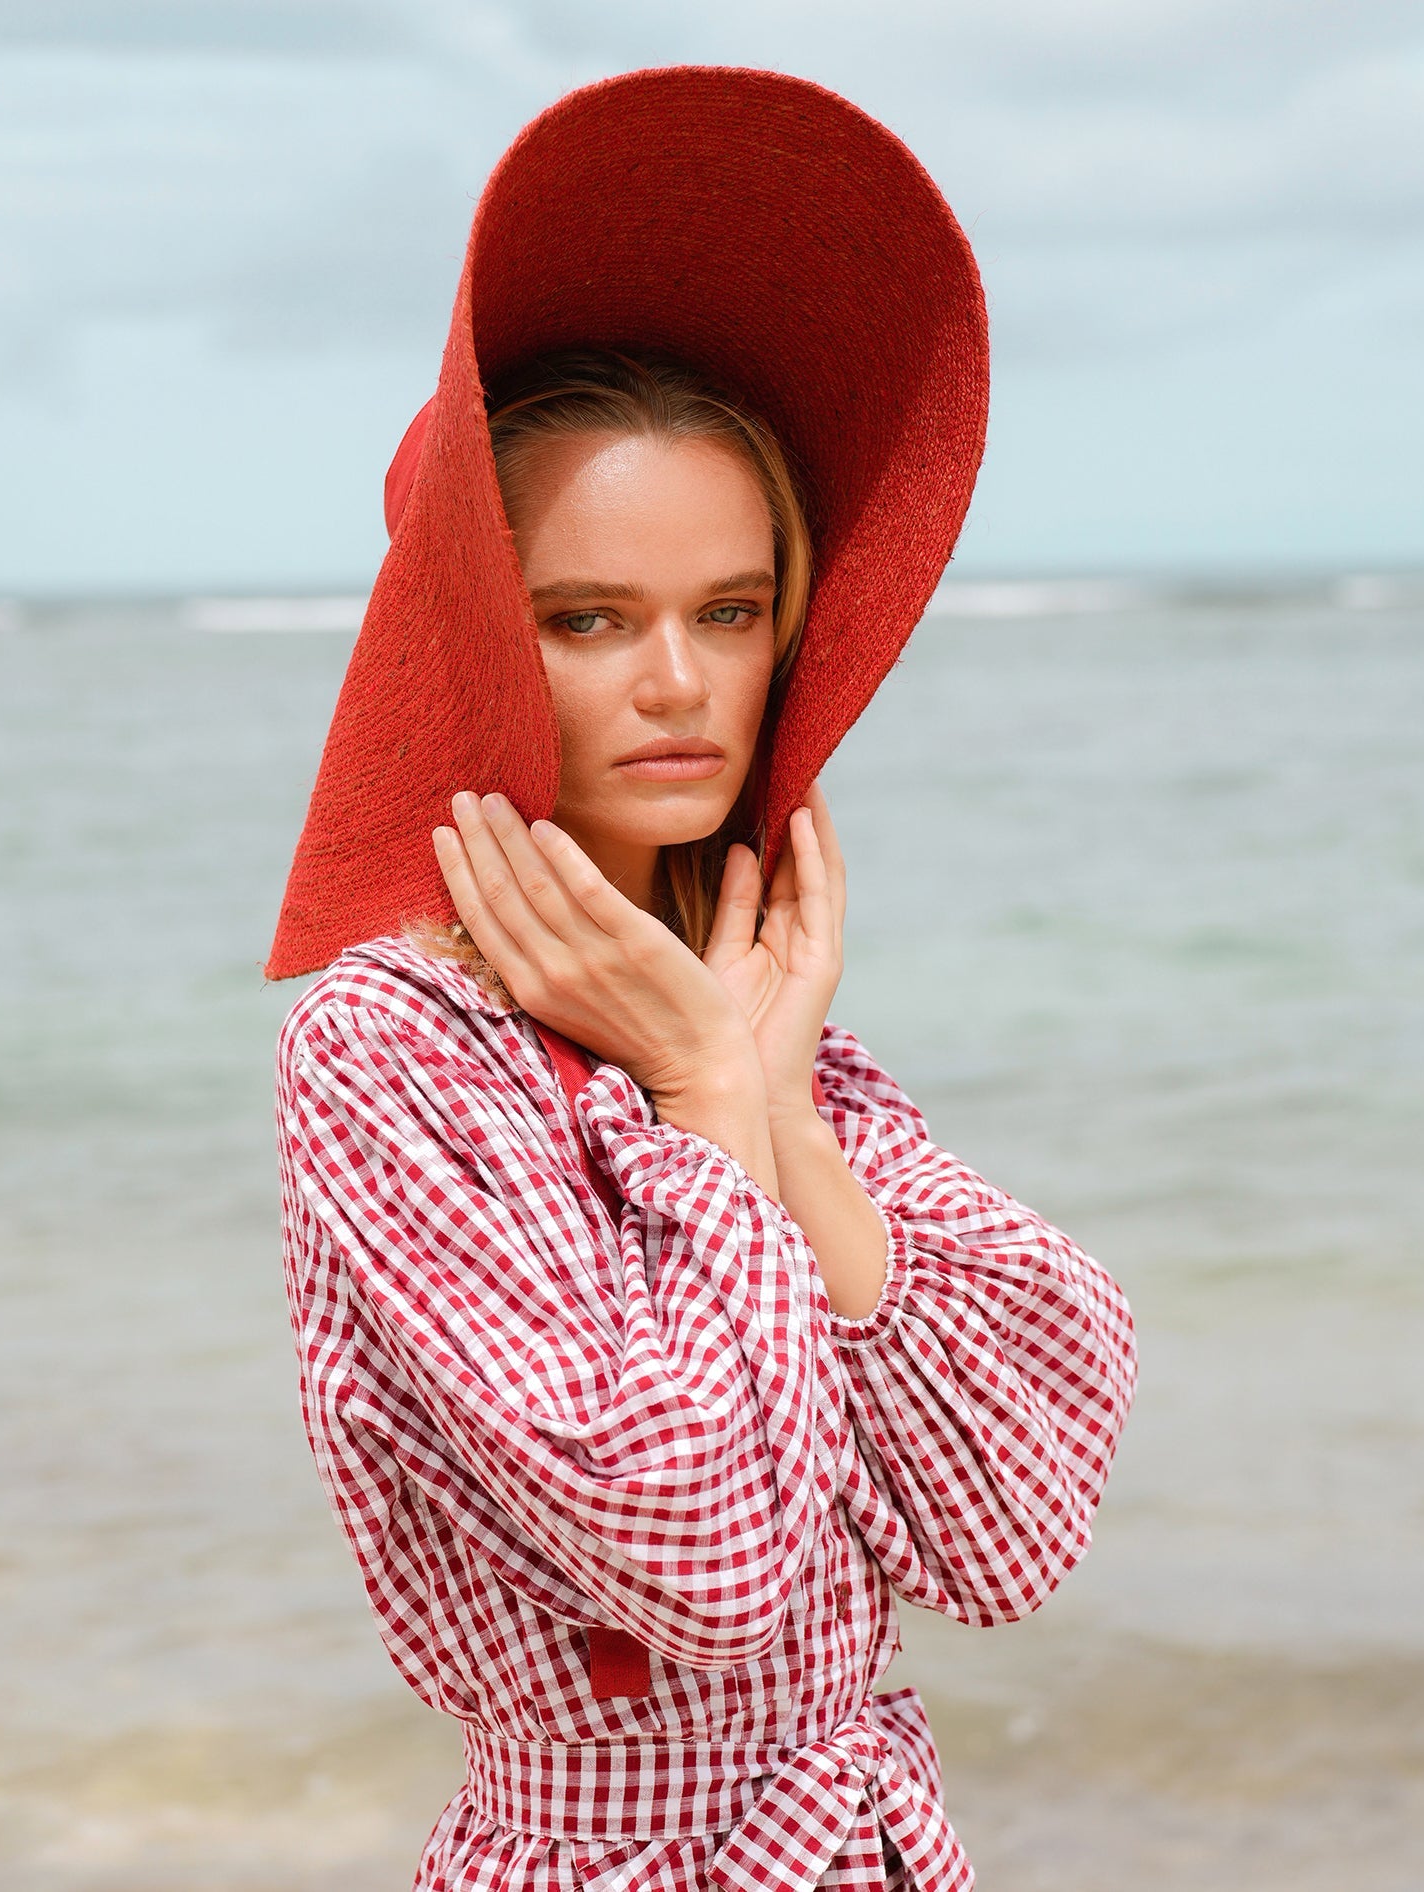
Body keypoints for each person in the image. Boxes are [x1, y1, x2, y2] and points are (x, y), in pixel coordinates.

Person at [270, 68, 1137, 1892]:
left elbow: (1007, 1533)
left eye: (729, 611)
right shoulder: (386, 1054)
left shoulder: (752, 1002)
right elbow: (708, 1555)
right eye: (589, 619)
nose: (677, 683)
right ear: (473, 640)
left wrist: (767, 1105)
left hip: (873, 1845)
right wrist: (708, 1097)